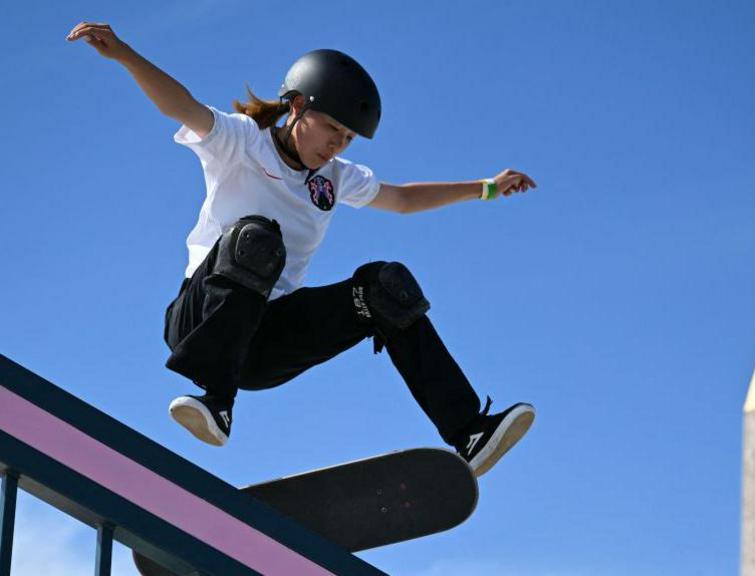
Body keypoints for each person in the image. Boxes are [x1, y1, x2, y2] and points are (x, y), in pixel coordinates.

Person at [66, 22, 536, 477]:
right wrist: (124, 54)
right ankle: (215, 400)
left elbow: (403, 199)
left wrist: (487, 188)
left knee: (385, 287)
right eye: (331, 127)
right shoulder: (242, 142)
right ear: (295, 106)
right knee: (257, 238)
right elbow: (181, 105)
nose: (336, 145)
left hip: (266, 343)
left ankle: (469, 432)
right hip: (201, 320)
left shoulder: (334, 178)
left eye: (347, 138)